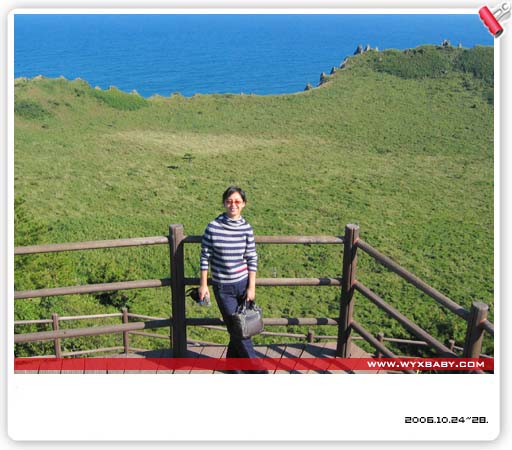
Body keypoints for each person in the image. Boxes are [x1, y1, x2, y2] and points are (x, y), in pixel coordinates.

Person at [199, 186, 266, 373]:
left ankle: (232, 366)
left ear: (243, 204)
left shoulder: (246, 229)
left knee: (237, 328)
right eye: (229, 201)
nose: (233, 205)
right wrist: (203, 285)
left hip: (243, 285)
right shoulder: (213, 227)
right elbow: (205, 257)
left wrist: (251, 287)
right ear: (224, 203)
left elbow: (252, 258)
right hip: (223, 287)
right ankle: (256, 368)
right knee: (239, 329)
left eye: (237, 201)